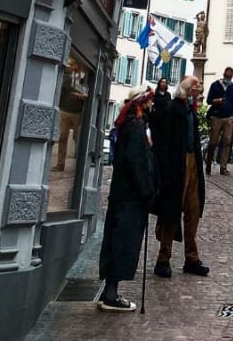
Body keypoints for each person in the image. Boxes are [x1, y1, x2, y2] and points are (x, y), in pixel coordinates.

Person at [97, 88, 155, 312]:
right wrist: (147, 190)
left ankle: (109, 291)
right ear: (143, 102)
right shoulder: (136, 126)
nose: (152, 105)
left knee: (117, 241)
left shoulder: (130, 124)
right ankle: (111, 294)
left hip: (123, 193)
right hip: (130, 196)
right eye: (149, 101)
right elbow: (137, 161)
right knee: (123, 243)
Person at [149, 75, 209, 278]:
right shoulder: (172, 110)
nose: (198, 92)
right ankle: (163, 258)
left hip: (192, 162)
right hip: (177, 165)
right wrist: (163, 173)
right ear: (188, 90)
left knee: (192, 211)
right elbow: (163, 142)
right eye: (196, 88)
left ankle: (191, 258)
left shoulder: (190, 111)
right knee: (171, 213)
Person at [205, 67, 233, 176]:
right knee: (213, 142)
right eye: (227, 76)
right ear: (224, 75)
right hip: (216, 116)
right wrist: (217, 100)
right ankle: (208, 164)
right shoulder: (215, 85)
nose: (228, 78)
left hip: (229, 117)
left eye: (230, 77)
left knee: (227, 142)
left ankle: (223, 167)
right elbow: (208, 100)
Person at [54, 67, 86, 172]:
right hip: (64, 110)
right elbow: (62, 88)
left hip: (77, 112)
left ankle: (79, 165)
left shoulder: (85, 78)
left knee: (77, 138)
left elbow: (87, 95)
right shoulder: (67, 75)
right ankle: (60, 164)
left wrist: (80, 96)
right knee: (62, 137)